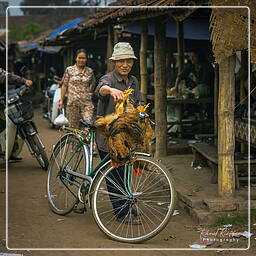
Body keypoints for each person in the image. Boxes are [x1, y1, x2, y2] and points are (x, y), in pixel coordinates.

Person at [95, 42, 141, 224]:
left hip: (126, 136)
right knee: (115, 175)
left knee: (125, 172)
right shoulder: (109, 79)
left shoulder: (133, 81)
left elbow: (137, 101)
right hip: (108, 136)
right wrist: (111, 90)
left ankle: (126, 204)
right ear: (114, 62)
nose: (125, 64)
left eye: (128, 60)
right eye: (121, 61)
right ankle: (122, 212)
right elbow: (100, 88)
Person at [0, 67, 33, 161]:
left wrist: (24, 81)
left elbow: (7, 76)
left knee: (11, 122)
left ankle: (11, 152)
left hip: (1, 102)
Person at [58, 49, 96, 129]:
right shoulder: (69, 70)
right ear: (76, 58)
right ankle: (72, 141)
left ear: (86, 59)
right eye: (79, 58)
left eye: (83, 58)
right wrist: (61, 100)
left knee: (88, 126)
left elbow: (93, 84)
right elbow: (64, 85)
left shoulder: (90, 71)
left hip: (87, 104)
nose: (81, 60)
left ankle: (86, 141)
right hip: (73, 104)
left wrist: (89, 94)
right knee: (73, 129)